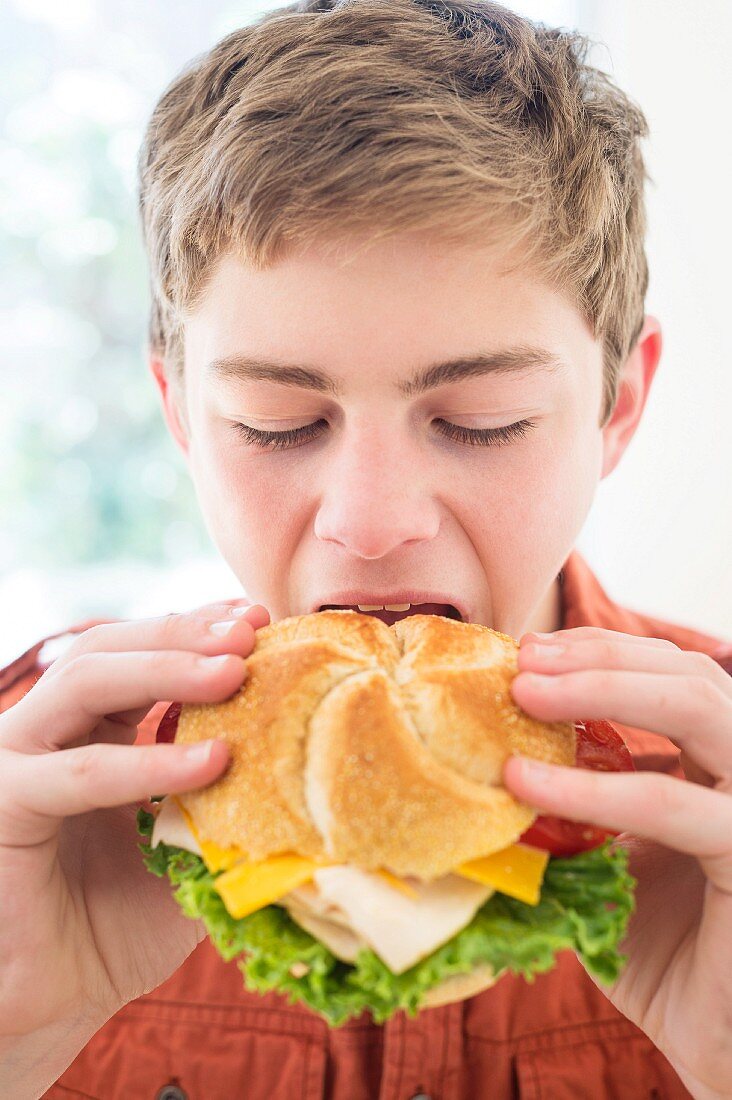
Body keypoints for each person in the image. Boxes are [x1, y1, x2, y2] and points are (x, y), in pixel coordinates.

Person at [1, 1, 730, 1097]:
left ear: (617, 407)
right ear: (183, 415)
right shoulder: (30, 794)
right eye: (277, 423)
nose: (372, 519)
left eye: (482, 418)